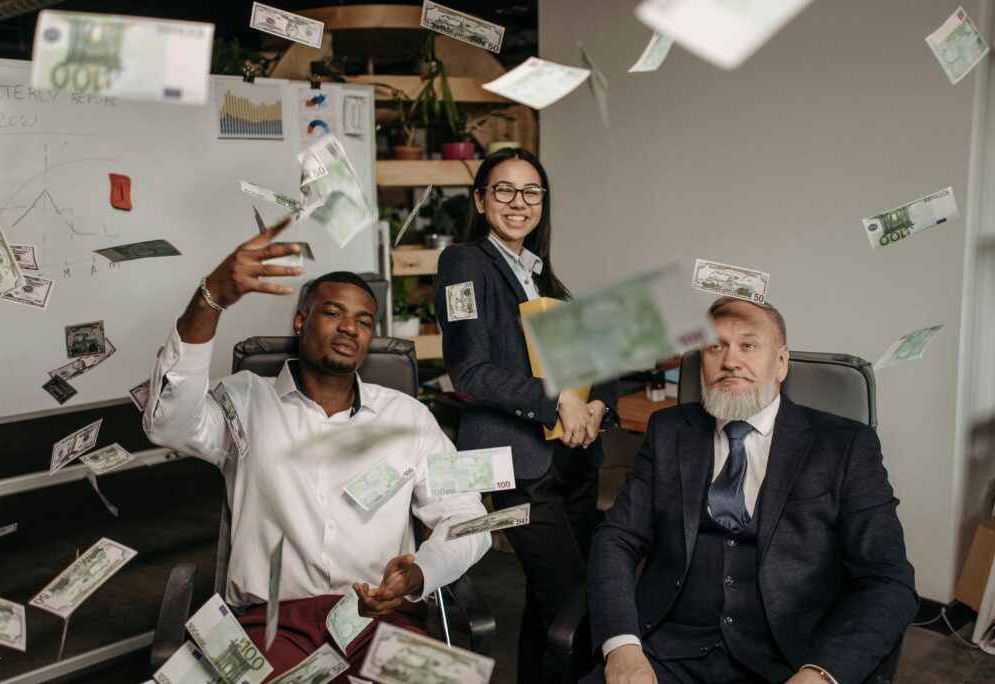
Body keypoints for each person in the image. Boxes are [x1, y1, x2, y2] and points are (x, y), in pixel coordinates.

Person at [143, 221, 490, 680]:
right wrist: (211, 298)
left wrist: (421, 573)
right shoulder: (243, 399)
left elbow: (471, 518)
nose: (350, 327)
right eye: (333, 313)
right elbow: (167, 422)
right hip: (268, 625)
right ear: (302, 319)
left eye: (364, 321)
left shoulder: (411, 417)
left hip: (380, 622)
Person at [585, 297, 917, 684]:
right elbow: (617, 538)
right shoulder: (669, 431)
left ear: (780, 362)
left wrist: (822, 674)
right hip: (664, 652)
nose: (729, 361)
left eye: (748, 345)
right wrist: (623, 647)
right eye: (715, 346)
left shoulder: (843, 445)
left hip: (789, 661)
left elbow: (888, 577)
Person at [434, 147, 619, 683]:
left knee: (552, 607)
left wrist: (599, 401)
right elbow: (469, 371)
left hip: (574, 462)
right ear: (480, 198)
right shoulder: (463, 265)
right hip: (516, 465)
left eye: (531, 191)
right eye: (505, 190)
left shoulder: (546, 282)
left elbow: (598, 362)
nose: (519, 202)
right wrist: (555, 397)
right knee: (576, 606)